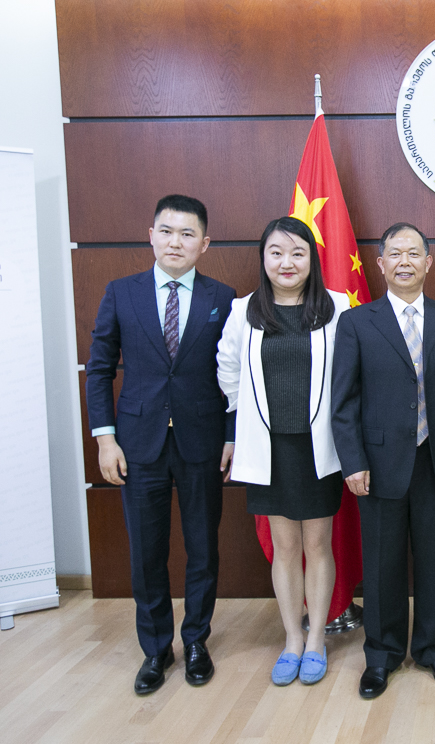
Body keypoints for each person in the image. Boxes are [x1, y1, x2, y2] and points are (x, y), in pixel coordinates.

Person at [86, 194, 236, 694]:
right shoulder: (120, 293)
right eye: (167, 231)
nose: (176, 242)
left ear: (204, 244)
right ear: (151, 236)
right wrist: (105, 439)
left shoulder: (223, 297)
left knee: (202, 548)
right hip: (137, 443)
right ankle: (155, 649)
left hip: (202, 441)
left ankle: (195, 641)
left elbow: (235, 374)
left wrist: (232, 435)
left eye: (187, 234)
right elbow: (99, 370)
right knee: (146, 552)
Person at [331, 222, 435, 699]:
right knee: (382, 563)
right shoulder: (357, 322)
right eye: (395, 253)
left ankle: (432, 648)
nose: (404, 261)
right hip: (377, 464)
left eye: (413, 253)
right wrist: (352, 462)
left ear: (428, 263)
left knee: (433, 559)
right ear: (381, 263)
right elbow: (343, 401)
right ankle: (382, 655)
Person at [216, 216, 348, 686]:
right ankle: (292, 639)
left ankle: (316, 640)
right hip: (268, 449)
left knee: (317, 544)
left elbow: (350, 375)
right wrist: (240, 426)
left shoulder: (337, 307)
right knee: (286, 547)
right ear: (263, 258)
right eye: (276, 252)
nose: (286, 262)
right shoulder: (243, 311)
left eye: (297, 253)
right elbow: (228, 370)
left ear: (312, 259)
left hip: (318, 448)